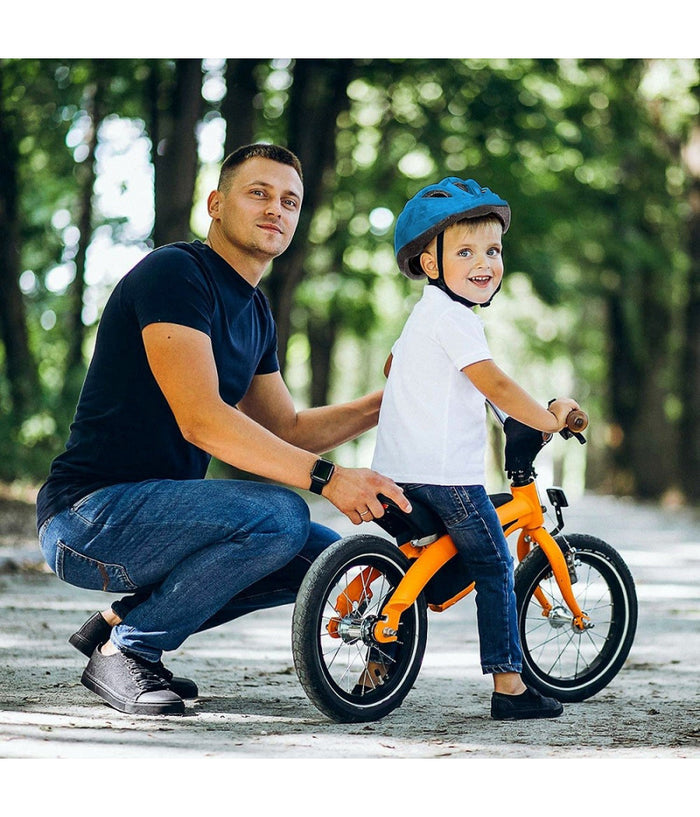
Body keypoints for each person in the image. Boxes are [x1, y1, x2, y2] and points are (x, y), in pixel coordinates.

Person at [36, 143, 411, 716]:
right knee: (280, 516)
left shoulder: (255, 312)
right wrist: (329, 480)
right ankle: (128, 651)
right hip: (88, 518)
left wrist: (389, 400)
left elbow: (286, 429)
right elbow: (203, 418)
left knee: (323, 561)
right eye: (258, 193)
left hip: (162, 518)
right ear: (215, 203)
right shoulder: (176, 273)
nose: (276, 209)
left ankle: (124, 624)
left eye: (290, 201)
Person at [371, 176, 580, 720]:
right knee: (492, 564)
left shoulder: (423, 315)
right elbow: (497, 385)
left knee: (417, 566)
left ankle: (375, 667)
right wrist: (547, 419)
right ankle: (510, 687)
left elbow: (393, 369)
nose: (484, 261)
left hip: (397, 473)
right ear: (431, 264)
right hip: (446, 479)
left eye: (493, 249)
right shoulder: (456, 318)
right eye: (465, 251)